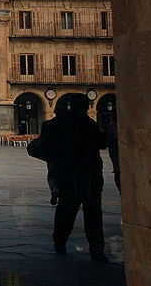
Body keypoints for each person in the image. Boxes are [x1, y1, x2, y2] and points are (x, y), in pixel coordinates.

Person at [29, 94, 108, 262]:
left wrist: (55, 159)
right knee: (93, 214)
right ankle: (96, 249)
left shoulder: (52, 125)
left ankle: (60, 243)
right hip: (89, 177)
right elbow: (103, 143)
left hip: (67, 176)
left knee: (65, 211)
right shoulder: (89, 125)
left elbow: (40, 148)